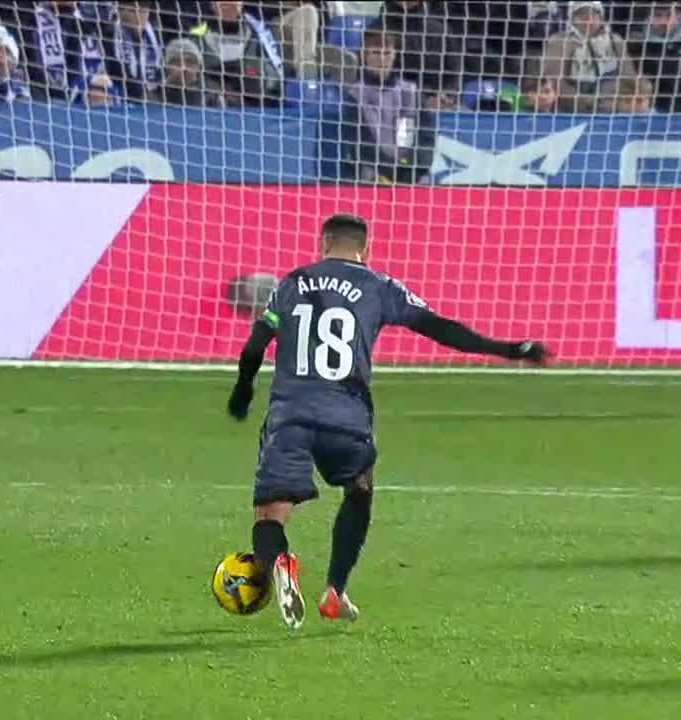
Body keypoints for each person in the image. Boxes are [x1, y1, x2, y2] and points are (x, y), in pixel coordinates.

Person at [226, 214, 548, 629]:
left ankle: (280, 564)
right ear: (367, 246)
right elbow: (440, 328)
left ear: (323, 243)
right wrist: (511, 350)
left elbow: (255, 344)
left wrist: (242, 391)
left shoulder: (292, 282)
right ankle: (335, 592)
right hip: (347, 415)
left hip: (290, 414)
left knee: (269, 514)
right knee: (360, 488)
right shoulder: (380, 285)